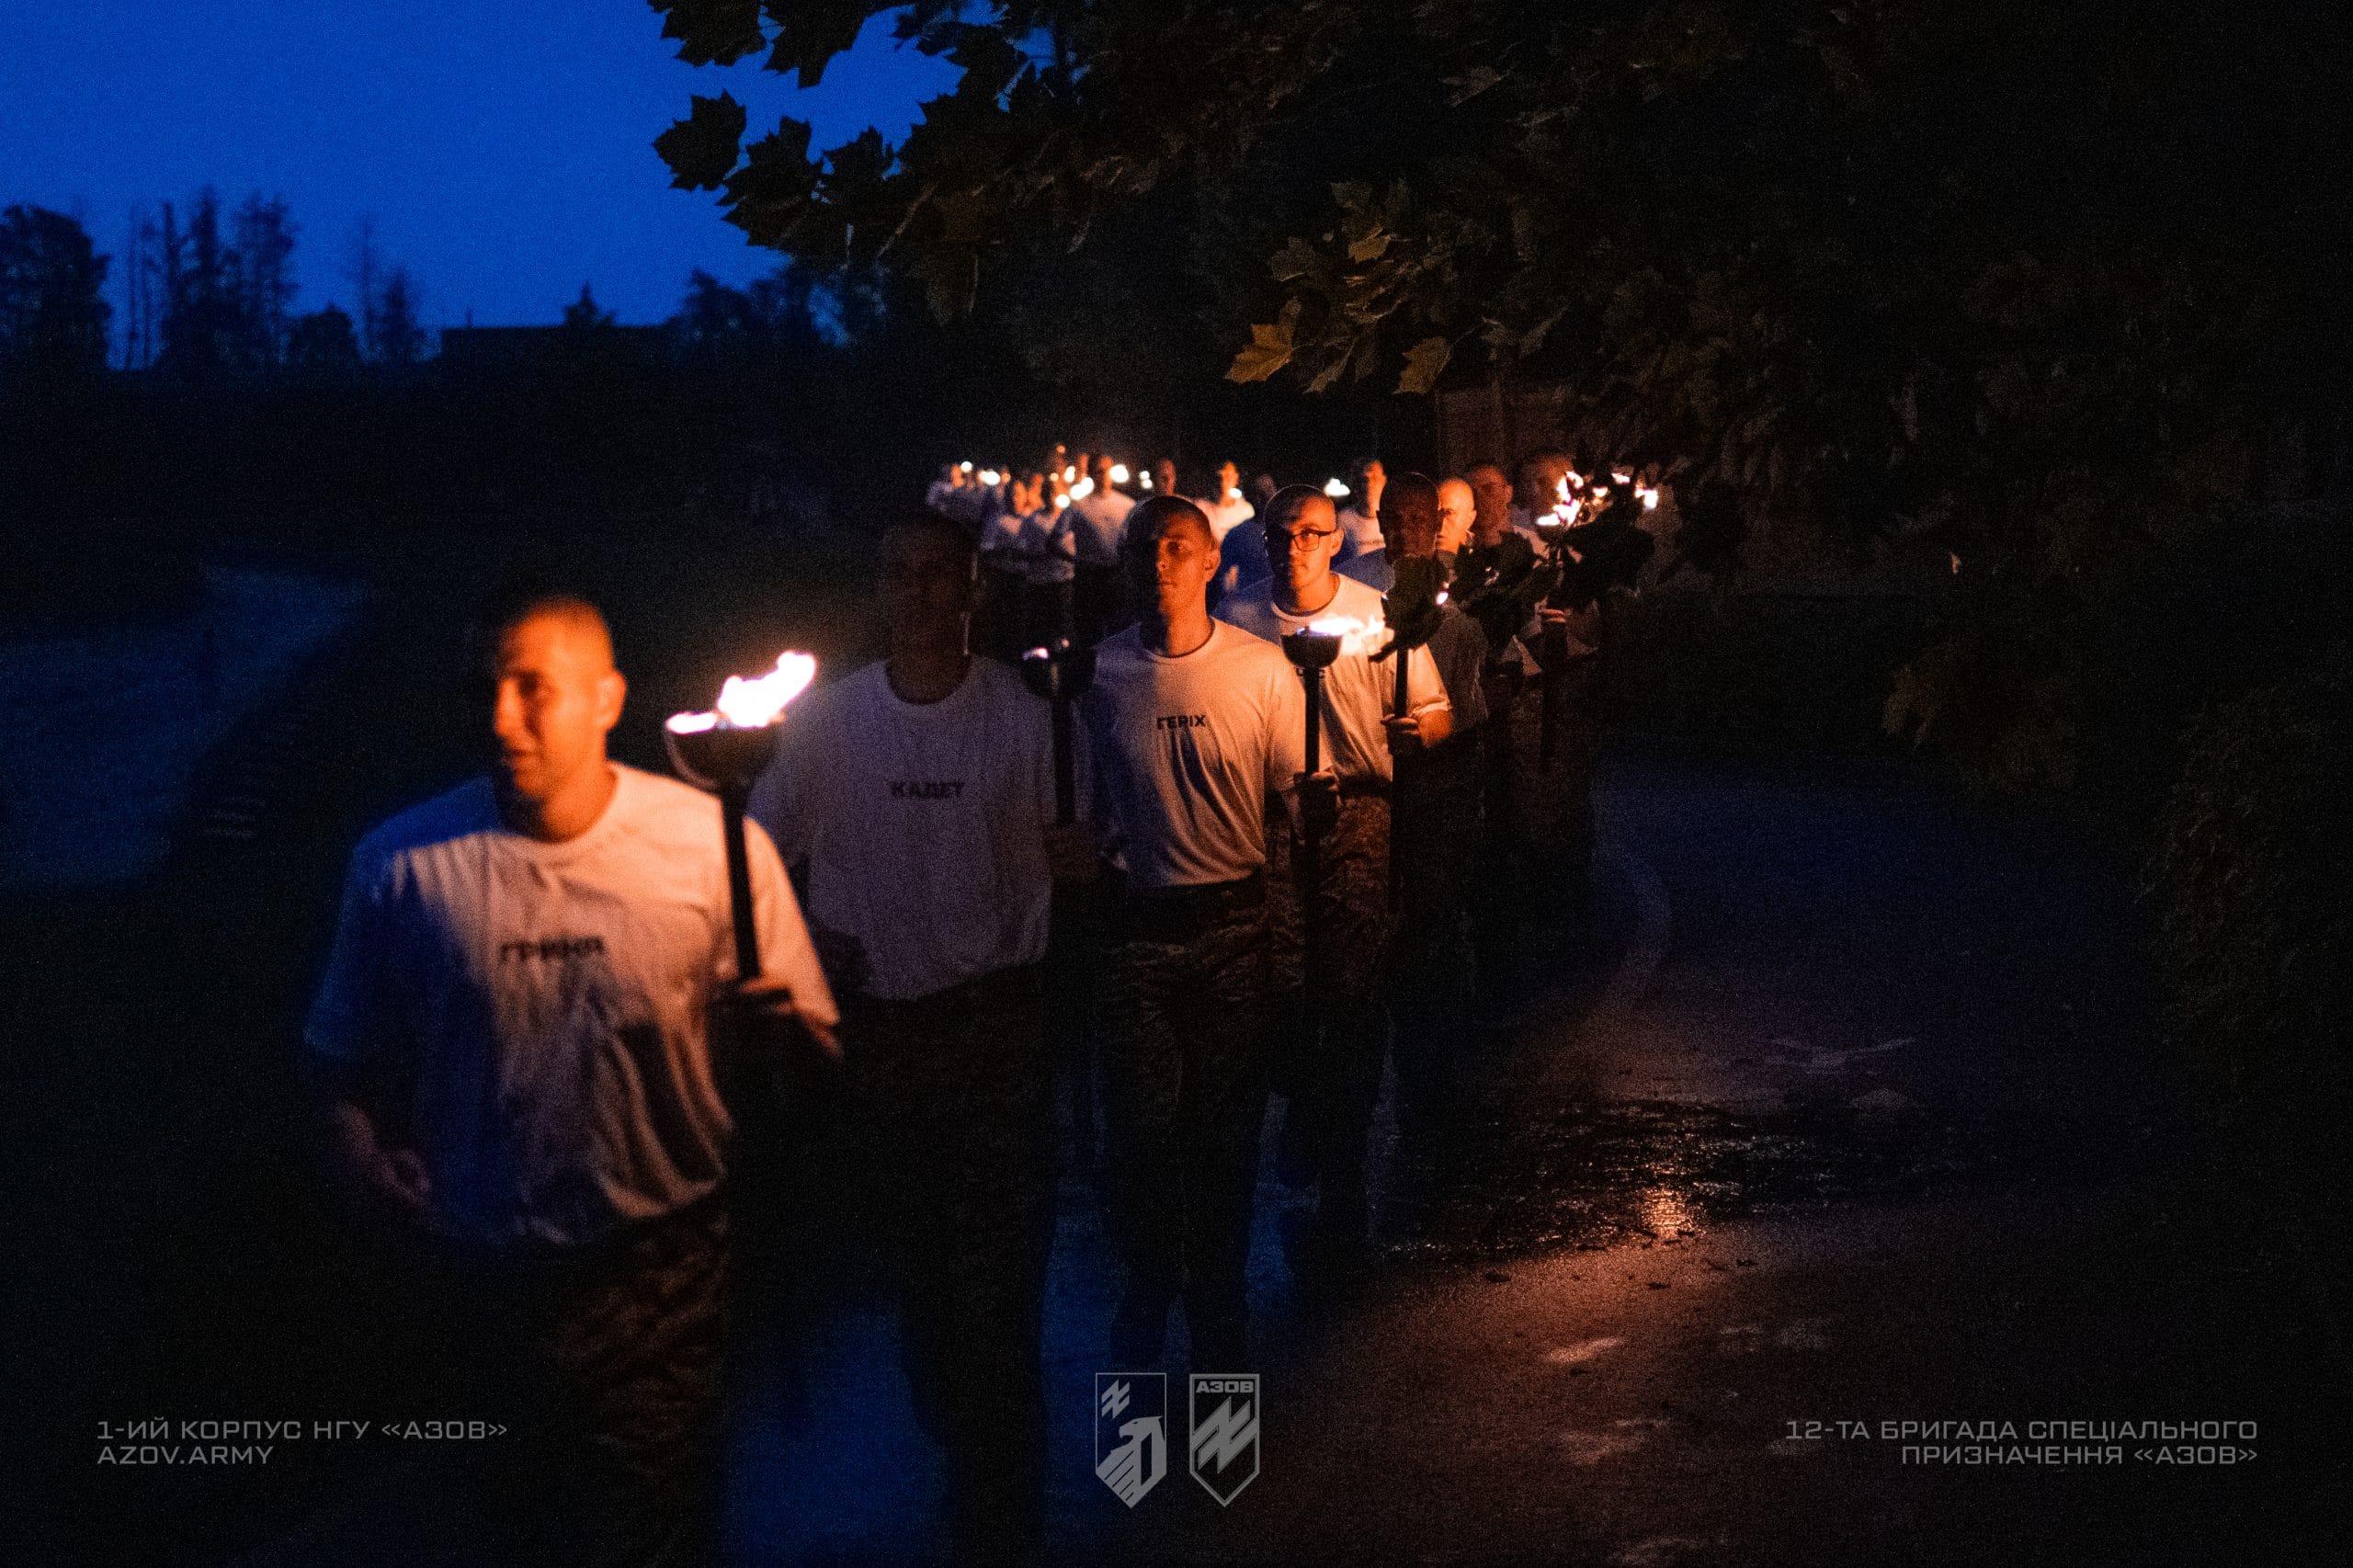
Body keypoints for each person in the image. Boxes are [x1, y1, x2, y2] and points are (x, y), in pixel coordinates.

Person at [305, 591, 837, 1568]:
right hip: (478, 1274)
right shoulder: (400, 866)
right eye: (483, 689)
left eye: (531, 687)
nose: (501, 716)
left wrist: (780, 1042)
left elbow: (815, 1070)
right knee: (508, 1533)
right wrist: (357, 1153)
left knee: (651, 1535)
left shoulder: (713, 846)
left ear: (605, 698)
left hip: (662, 1269)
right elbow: (340, 1058)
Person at [747, 517, 1088, 1562]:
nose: (914, 591)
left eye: (935, 573)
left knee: (995, 1289)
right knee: (920, 1282)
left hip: (994, 1030)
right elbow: (756, 857)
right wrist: (801, 953)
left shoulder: (1027, 720)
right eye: (894, 571)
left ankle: (1002, 1507)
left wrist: (1083, 869)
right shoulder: (828, 723)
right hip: (883, 1046)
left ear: (969, 588)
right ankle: (958, 1429)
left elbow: (1079, 859)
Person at [1081, 495, 1312, 1369]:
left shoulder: (1260, 670)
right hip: (1137, 936)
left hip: (1234, 930)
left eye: (1178, 547)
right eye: (1144, 548)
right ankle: (1151, 1278)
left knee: (1222, 1129)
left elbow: (1295, 804)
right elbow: (1075, 804)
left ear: (1212, 562)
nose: (1159, 563)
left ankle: (1218, 1293)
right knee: (1142, 1130)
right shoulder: (1096, 678)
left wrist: (1292, 946)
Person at [1215, 485, 1449, 1263]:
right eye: (1281, 535)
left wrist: (1420, 730)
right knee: (1280, 987)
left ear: (1334, 542)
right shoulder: (1236, 619)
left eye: (1310, 534)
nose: (1294, 548)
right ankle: (1305, 1105)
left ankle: (1343, 1156)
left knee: (1350, 990)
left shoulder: (1374, 614)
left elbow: (1433, 706)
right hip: (1270, 825)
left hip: (1358, 814)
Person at [1377, 475, 1491, 1134]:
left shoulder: (1459, 610)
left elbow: (1470, 716)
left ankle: (1434, 1063)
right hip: (1381, 786)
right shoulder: (1364, 596)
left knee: (1430, 923)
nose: (1403, 532)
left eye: (1417, 519)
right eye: (1392, 518)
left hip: (1439, 783)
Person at [1069, 453, 1137, 643]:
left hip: (1116, 576)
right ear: (1091, 474)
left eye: (1108, 471)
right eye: (1100, 471)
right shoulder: (1078, 506)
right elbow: (1054, 541)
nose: (1105, 476)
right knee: (1088, 631)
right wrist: (1077, 559)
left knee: (1118, 629)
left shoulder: (1127, 505)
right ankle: (1087, 669)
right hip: (1088, 578)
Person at [1335, 458, 1386, 563]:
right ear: (1356, 485)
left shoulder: (1394, 518)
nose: (1369, 484)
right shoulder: (1343, 520)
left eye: (1375, 478)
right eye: (1364, 480)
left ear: (1384, 481)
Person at [1199, 460, 1256, 545]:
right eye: (1220, 476)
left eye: (1228, 476)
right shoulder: (1202, 508)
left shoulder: (1246, 511)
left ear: (1236, 478)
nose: (1224, 481)